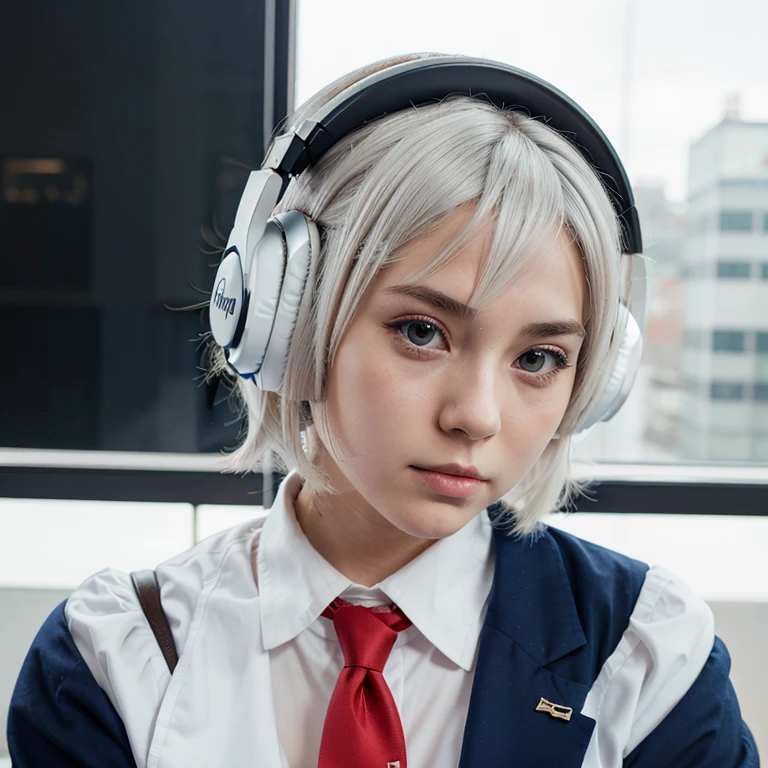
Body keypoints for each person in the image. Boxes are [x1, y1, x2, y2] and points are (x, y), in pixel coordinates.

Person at [7, 52, 760, 767]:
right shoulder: (115, 657)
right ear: (289, 318)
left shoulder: (650, 656)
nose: (477, 416)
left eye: (538, 358)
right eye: (422, 332)